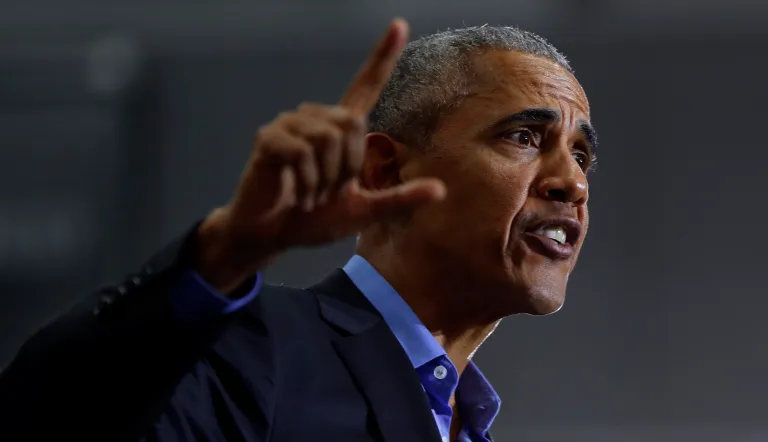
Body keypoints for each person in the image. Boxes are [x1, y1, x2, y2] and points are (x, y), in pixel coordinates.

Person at [0, 18, 597, 442]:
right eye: (523, 138)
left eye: (580, 155)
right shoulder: (255, 348)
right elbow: (47, 418)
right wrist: (226, 250)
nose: (571, 182)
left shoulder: (470, 417)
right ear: (385, 169)